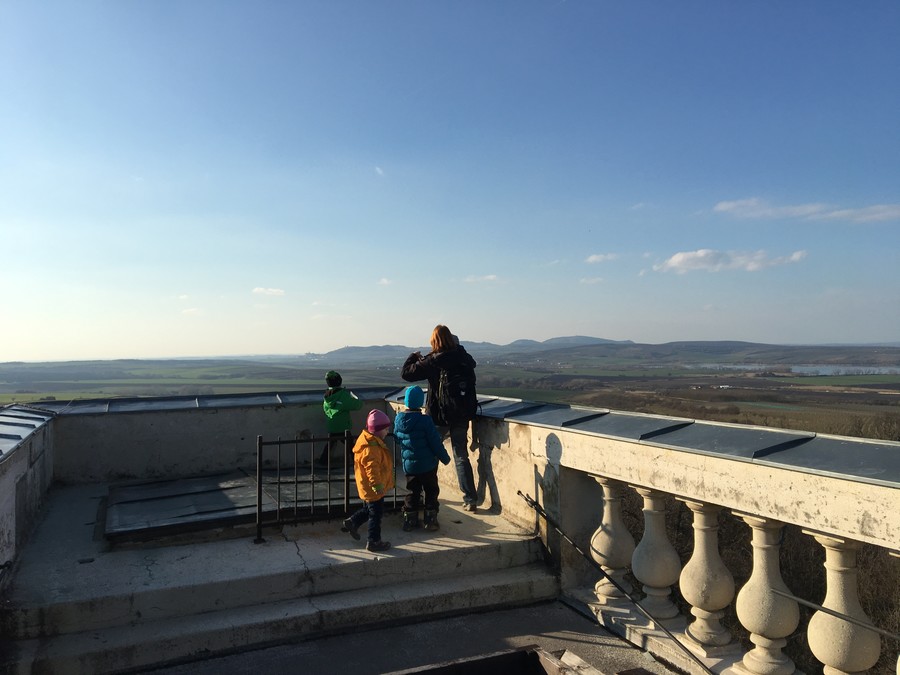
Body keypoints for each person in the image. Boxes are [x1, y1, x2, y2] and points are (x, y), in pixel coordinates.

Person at [401, 324, 479, 512]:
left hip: (438, 415)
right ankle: (470, 499)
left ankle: (428, 496)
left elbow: (406, 374)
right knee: (461, 455)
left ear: (434, 341)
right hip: (461, 414)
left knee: (429, 453)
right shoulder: (464, 358)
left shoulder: (433, 361)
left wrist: (412, 357)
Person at [393, 385, 451, 531]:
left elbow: (396, 439)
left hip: (409, 467)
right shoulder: (425, 421)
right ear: (420, 402)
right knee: (431, 491)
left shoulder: (399, 419)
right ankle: (430, 520)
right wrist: (445, 458)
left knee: (412, 492)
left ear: (406, 401)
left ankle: (410, 521)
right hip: (427, 466)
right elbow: (435, 443)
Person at [341, 409, 394, 552]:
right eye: (386, 429)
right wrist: (377, 485)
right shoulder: (372, 449)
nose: (387, 432)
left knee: (368, 509)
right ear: (377, 431)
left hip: (367, 486)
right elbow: (372, 469)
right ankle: (373, 541)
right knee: (376, 515)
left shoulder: (368, 442)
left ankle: (353, 522)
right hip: (374, 487)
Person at [320, 370, 362, 466]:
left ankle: (323, 462)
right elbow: (358, 405)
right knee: (351, 445)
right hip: (343, 426)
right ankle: (357, 461)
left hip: (332, 425)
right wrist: (355, 398)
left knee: (330, 444)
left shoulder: (327, 396)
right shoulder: (342, 395)